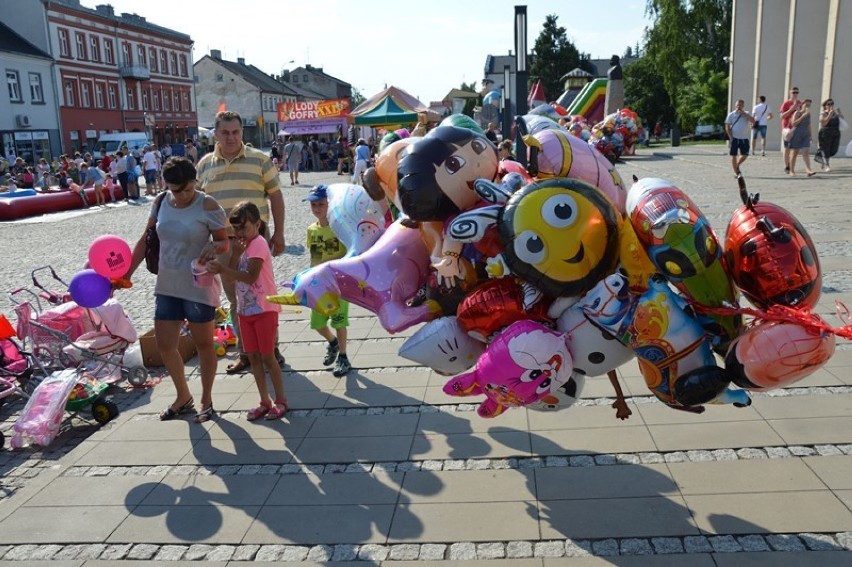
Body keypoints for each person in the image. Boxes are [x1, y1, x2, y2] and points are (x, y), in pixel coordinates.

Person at [126, 157, 229, 423]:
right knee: (165, 345)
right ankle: (183, 396)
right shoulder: (160, 202)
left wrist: (214, 247)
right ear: (166, 185)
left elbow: (224, 241)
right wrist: (126, 274)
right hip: (167, 284)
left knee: (205, 344)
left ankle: (206, 399)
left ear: (195, 181)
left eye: (187, 188)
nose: (183, 195)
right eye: (176, 190)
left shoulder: (206, 203)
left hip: (198, 285)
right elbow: (146, 239)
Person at [196, 110, 286, 375]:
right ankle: (247, 352)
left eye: (235, 132)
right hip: (223, 243)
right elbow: (199, 206)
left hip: (256, 243)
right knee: (236, 300)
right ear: (216, 133)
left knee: (262, 297)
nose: (231, 137)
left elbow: (277, 198)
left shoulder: (259, 160)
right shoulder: (204, 165)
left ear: (242, 133)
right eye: (225, 132)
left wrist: (279, 233)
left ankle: (271, 350)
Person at [206, 201, 288, 420]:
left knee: (268, 357)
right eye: (235, 228)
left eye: (244, 227)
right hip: (245, 311)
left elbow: (251, 276)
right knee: (253, 357)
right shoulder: (243, 245)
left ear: (257, 224)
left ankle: (280, 401)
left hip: (264, 309)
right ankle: (264, 401)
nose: (239, 232)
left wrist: (223, 268)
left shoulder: (259, 243)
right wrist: (234, 254)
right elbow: (234, 271)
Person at [304, 185, 352, 376]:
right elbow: (314, 257)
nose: (316, 208)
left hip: (338, 284)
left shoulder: (338, 227)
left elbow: (349, 252)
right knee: (317, 323)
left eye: (320, 204)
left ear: (329, 204)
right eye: (313, 205)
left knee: (339, 321)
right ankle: (332, 343)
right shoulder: (312, 230)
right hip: (319, 285)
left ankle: (343, 356)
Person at [724, 99, 755, 178]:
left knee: (745, 154)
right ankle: (735, 172)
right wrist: (731, 137)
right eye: (737, 105)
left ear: (743, 106)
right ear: (735, 105)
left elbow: (753, 121)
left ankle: (737, 165)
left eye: (740, 105)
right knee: (733, 155)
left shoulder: (747, 114)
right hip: (734, 138)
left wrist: (744, 114)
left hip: (744, 138)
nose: (739, 107)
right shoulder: (731, 114)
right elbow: (727, 126)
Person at [788, 98, 815, 177]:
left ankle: (808, 170)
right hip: (797, 133)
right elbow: (794, 123)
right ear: (802, 105)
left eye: (809, 105)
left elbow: (809, 125)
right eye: (806, 105)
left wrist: (810, 135)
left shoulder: (808, 114)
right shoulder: (797, 113)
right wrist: (803, 116)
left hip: (805, 134)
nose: (807, 107)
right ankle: (791, 170)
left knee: (806, 152)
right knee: (794, 153)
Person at [780, 87, 803, 174]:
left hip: (796, 128)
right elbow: (782, 116)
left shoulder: (800, 103)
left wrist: (799, 111)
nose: (795, 94)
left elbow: (802, 115)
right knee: (787, 148)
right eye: (793, 92)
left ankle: (791, 166)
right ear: (790, 93)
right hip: (787, 128)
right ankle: (786, 166)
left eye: (797, 92)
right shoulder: (786, 103)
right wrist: (792, 109)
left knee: (794, 149)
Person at [817, 98, 844, 172]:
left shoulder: (835, 112)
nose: (830, 105)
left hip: (835, 133)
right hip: (825, 133)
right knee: (826, 149)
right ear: (825, 106)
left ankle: (823, 159)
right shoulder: (823, 113)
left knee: (834, 149)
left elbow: (842, 118)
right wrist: (829, 114)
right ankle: (827, 165)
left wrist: (839, 112)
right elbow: (823, 123)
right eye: (828, 104)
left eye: (832, 103)